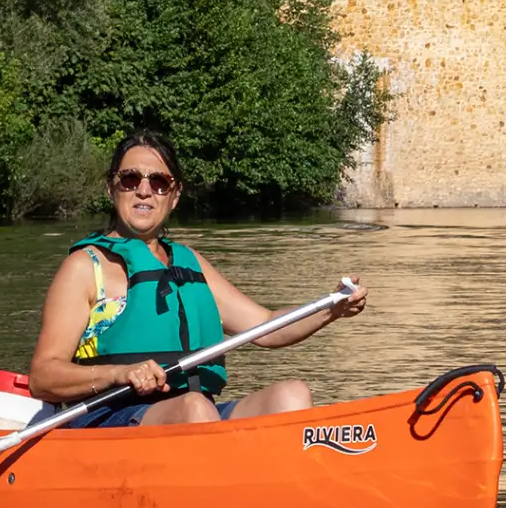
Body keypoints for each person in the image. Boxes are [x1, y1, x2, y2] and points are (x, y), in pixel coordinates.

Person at [26, 132, 366, 427]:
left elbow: (266, 326)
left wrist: (332, 307)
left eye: (159, 183)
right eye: (131, 179)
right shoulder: (85, 267)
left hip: (195, 413)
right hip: (111, 416)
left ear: (174, 196)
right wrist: (117, 374)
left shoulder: (189, 264)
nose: (144, 191)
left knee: (292, 395)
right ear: (112, 188)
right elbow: (44, 376)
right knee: (195, 408)